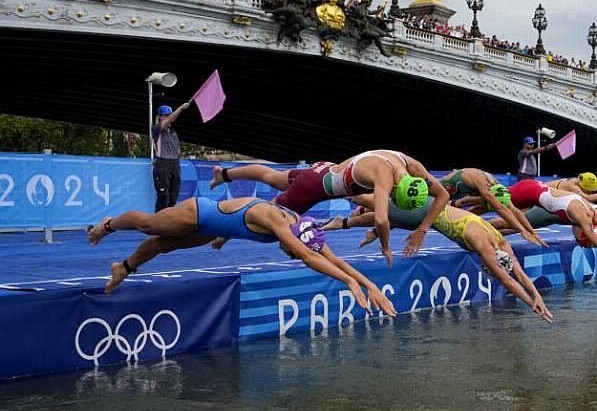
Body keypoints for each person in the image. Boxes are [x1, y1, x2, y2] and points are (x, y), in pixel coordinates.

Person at [85, 197, 396, 317]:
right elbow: (308, 258)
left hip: (215, 227)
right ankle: (108, 225)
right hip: (199, 211)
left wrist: (368, 284)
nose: (287, 254)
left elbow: (330, 258)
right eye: (290, 252)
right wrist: (348, 284)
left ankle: (123, 268)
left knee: (163, 245)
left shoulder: (304, 226)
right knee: (149, 225)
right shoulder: (280, 223)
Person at [330, 196, 553, 322]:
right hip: (426, 212)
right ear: (490, 261)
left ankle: (347, 222)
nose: (486, 268)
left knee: (394, 220)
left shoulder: (501, 244)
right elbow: (507, 280)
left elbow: (519, 274)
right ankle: (336, 185)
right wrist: (531, 304)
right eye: (488, 268)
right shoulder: (483, 244)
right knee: (377, 208)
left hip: (428, 214)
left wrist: (536, 297)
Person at [208, 150, 449, 264]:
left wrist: (422, 230)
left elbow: (443, 195)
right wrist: (386, 247)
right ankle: (224, 233)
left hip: (322, 168)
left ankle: (225, 174)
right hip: (313, 189)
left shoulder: (411, 166)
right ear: (397, 190)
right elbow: (382, 220)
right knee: (268, 215)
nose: (391, 200)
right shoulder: (384, 180)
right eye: (394, 200)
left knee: (274, 177)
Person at [151, 103, 191, 211]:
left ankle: (169, 223)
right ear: (159, 117)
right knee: (163, 196)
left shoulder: (173, 133)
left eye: (169, 114)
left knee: (173, 196)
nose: (168, 117)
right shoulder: (157, 129)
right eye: (165, 115)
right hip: (163, 163)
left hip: (175, 164)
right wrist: (180, 108)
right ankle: (158, 222)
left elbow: (177, 149)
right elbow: (169, 121)